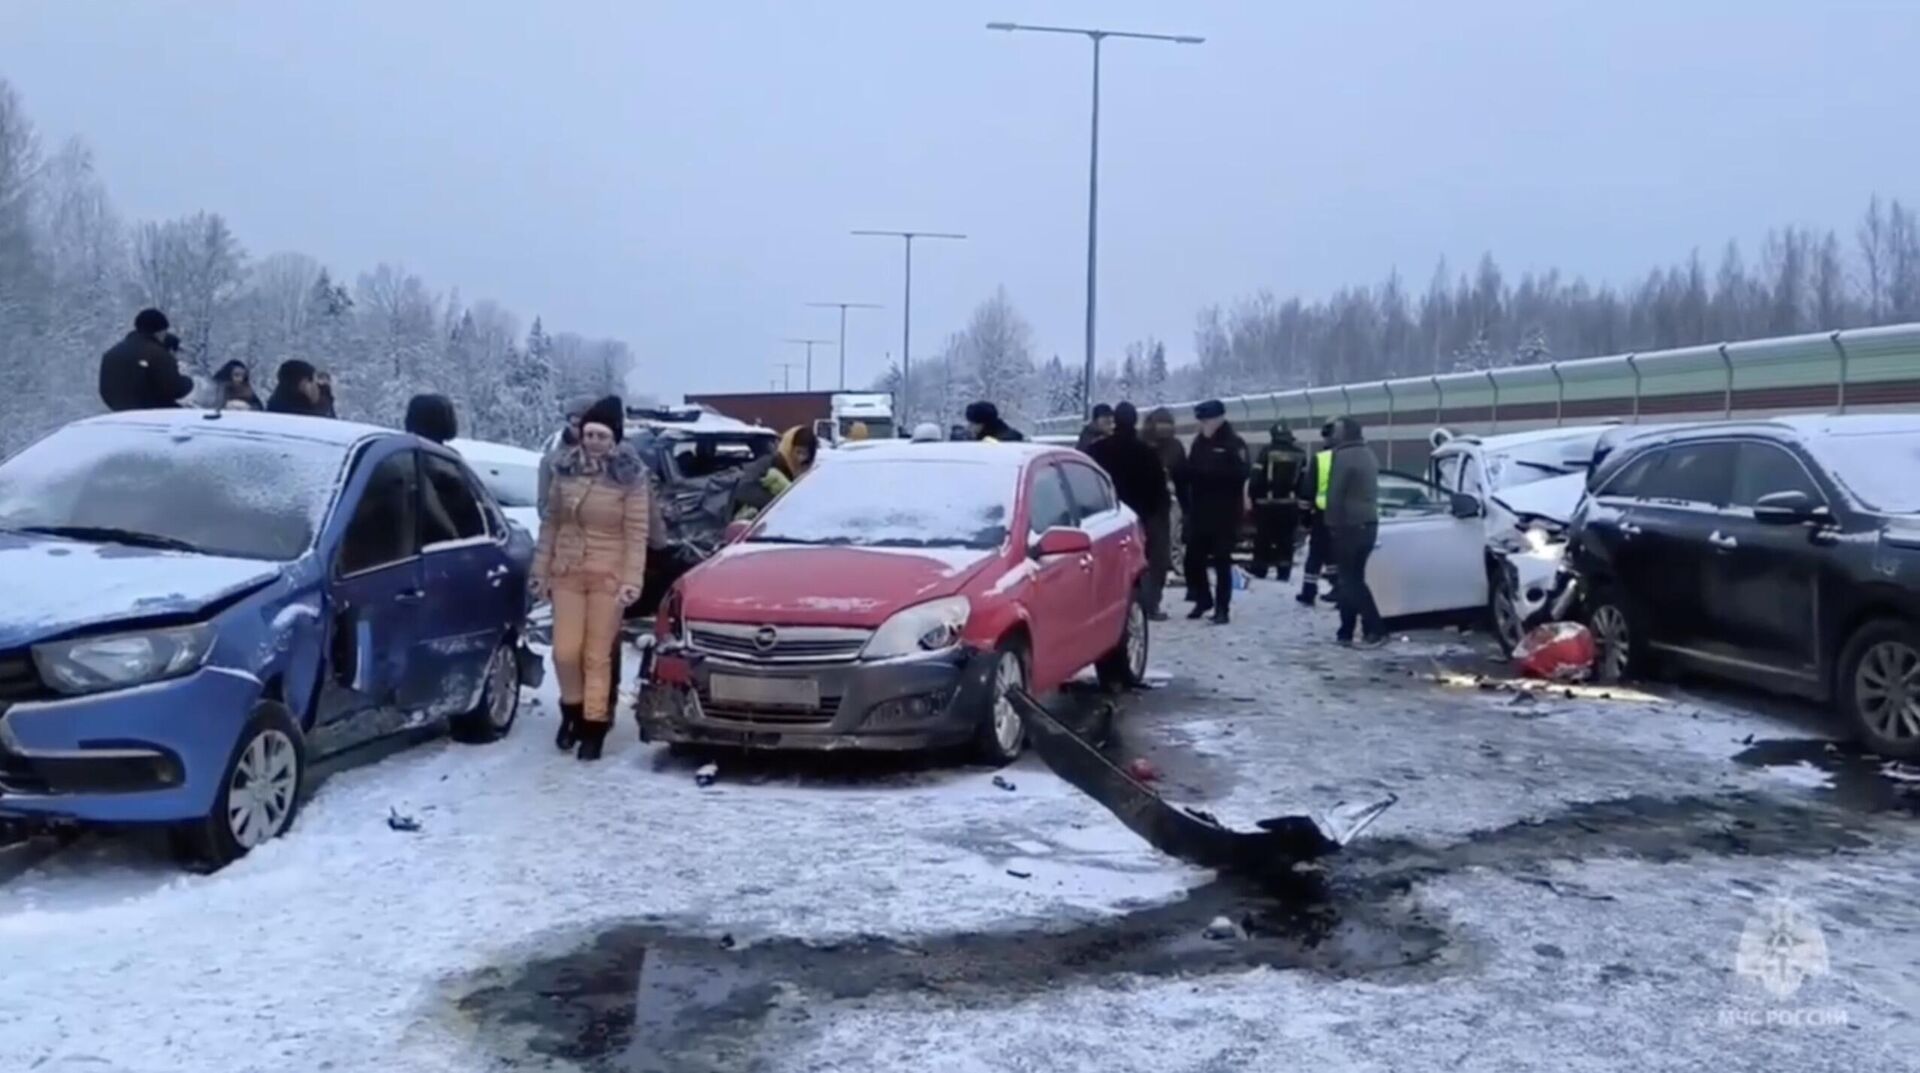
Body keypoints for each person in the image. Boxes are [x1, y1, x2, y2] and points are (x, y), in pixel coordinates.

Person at [531, 395, 650, 761]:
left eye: (602, 435)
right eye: (590, 433)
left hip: (608, 575)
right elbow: (551, 522)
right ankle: (572, 711)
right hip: (567, 570)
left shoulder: (630, 477)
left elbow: (636, 531)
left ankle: (594, 726)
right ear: (581, 434)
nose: (595, 441)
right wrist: (540, 570)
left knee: (596, 655)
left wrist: (632, 578)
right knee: (565, 652)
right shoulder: (563, 470)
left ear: (614, 439)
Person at [1085, 402, 1171, 619]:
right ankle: (1148, 605)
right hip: (1141, 517)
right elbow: (1159, 490)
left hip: (1106, 517)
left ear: (1115, 420)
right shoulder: (1148, 454)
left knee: (1108, 564)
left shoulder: (1097, 451)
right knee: (1146, 562)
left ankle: (1105, 605)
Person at [1183, 399, 1249, 624]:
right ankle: (1203, 598)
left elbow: (1241, 474)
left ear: (1218, 419)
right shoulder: (1199, 443)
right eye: (1201, 421)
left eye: (1206, 420)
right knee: (1192, 559)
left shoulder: (1234, 444)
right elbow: (1191, 470)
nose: (1203, 425)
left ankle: (1222, 608)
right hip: (1201, 511)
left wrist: (1210, 475)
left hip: (1225, 513)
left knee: (1222, 561)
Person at [1324, 415, 1385, 647]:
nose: (1331, 435)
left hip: (1348, 525)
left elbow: (1335, 494)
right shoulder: (1368, 454)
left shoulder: (1343, 456)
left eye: (1335, 431)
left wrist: (1331, 524)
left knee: (1350, 581)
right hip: (1369, 524)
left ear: (1344, 433)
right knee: (1353, 578)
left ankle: (1376, 628)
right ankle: (1346, 631)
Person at [99, 309, 195, 412]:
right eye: (164, 331)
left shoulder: (111, 354)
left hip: (119, 412)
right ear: (159, 331)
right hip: (152, 414)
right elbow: (175, 389)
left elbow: (105, 390)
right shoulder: (158, 355)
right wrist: (189, 382)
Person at [1248, 422, 1307, 580]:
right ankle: (1284, 571)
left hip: (1267, 504)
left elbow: (1255, 479)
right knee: (1286, 540)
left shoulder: (1266, 452)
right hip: (1290, 504)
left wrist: (1254, 499)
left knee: (1263, 540)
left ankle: (1260, 569)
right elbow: (1304, 481)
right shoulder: (1300, 454)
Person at [1297, 421, 1339, 606]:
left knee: (1316, 554)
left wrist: (1305, 517)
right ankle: (1339, 588)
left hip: (1322, 514)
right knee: (1336, 554)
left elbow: (1307, 491)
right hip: (1346, 514)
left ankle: (1308, 591)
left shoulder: (1320, 459)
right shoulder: (1352, 457)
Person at [540, 396, 600, 516]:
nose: (582, 430)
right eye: (576, 424)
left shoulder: (620, 462)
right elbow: (545, 510)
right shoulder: (552, 463)